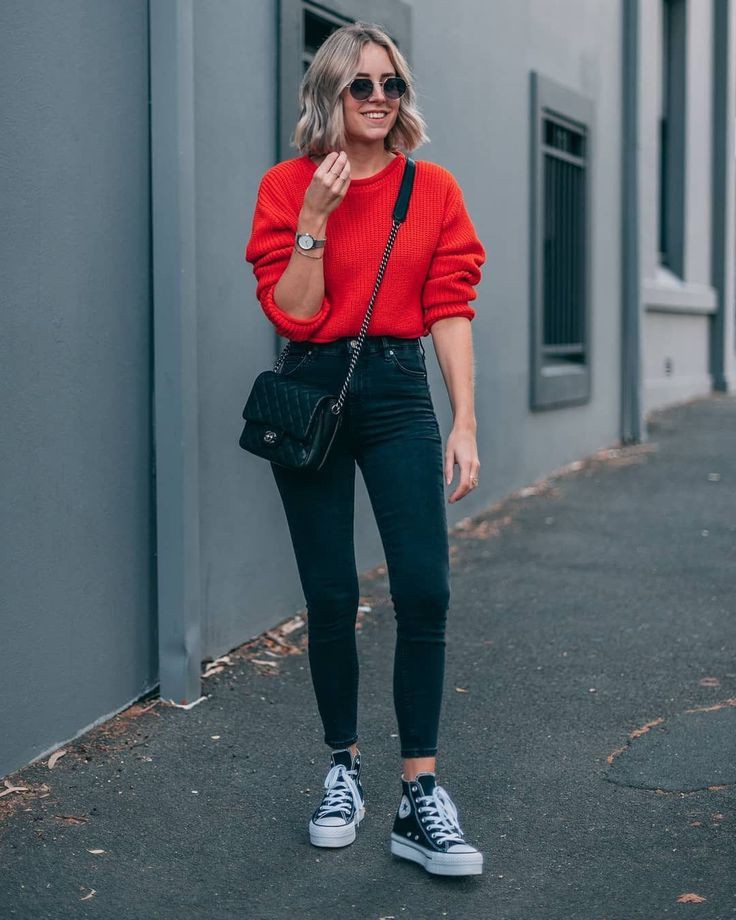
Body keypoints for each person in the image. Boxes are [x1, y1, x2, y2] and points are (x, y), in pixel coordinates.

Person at [245, 21, 486, 877]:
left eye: (392, 85)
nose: (380, 99)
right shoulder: (286, 187)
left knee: (424, 588)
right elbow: (296, 314)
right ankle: (341, 765)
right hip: (310, 390)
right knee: (330, 591)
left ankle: (419, 796)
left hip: (395, 391)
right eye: (362, 86)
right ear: (330, 94)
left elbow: (449, 305)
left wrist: (463, 421)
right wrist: (314, 217)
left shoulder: (434, 190)